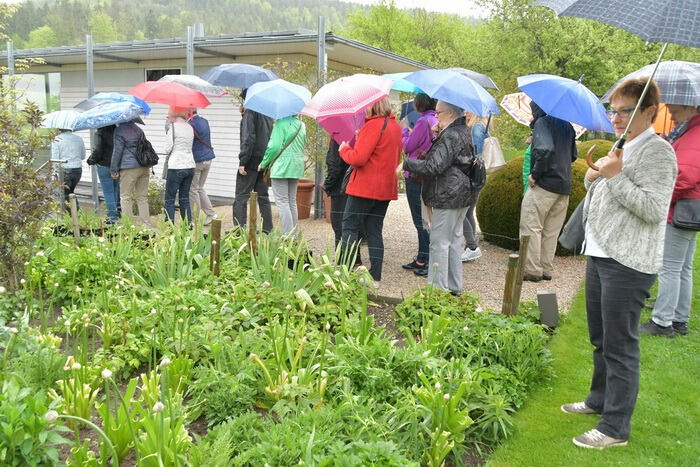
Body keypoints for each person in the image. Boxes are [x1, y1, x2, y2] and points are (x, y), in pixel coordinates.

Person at [561, 78, 677, 450]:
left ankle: (615, 428)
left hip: (627, 262)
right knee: (600, 338)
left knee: (620, 345)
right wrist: (596, 176)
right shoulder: (623, 144)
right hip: (600, 253)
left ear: (649, 113)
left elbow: (653, 209)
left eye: (625, 110)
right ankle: (599, 400)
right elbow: (607, 189)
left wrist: (615, 176)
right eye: (613, 109)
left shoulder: (658, 153)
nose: (615, 116)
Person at [402, 100, 475, 294]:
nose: (436, 117)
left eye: (439, 113)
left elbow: (434, 166)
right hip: (460, 194)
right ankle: (453, 286)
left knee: (439, 242)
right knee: (453, 241)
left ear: (450, 114)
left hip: (447, 194)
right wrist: (437, 136)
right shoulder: (463, 131)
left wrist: (406, 164)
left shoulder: (451, 135)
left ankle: (437, 290)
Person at [640, 104, 700, 337]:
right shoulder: (689, 132)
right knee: (683, 267)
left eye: (675, 110)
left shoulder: (694, 135)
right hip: (687, 211)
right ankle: (678, 319)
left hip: (678, 211)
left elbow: (684, 177)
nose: (671, 114)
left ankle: (662, 322)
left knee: (670, 268)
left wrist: (661, 196)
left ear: (691, 107)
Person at [339, 97, 402, 282]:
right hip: (385, 188)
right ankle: (375, 275)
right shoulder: (395, 127)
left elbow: (358, 159)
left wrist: (344, 150)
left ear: (372, 106)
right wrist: (361, 140)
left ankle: (346, 272)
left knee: (349, 226)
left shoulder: (373, 126)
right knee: (374, 229)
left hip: (365, 188)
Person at [519, 101, 577, 282]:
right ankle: (545, 268)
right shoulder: (567, 125)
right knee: (551, 231)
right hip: (564, 185)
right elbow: (573, 155)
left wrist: (535, 174)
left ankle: (532, 270)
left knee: (531, 226)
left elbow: (545, 149)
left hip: (544, 184)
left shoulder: (542, 122)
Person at [400, 93, 437, 276]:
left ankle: (425, 259)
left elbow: (407, 147)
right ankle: (423, 257)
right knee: (424, 217)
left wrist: (405, 131)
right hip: (427, 174)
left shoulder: (423, 122)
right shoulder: (435, 119)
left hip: (415, 174)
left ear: (419, 104)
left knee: (420, 219)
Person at [233, 89, 274, 233]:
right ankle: (267, 230)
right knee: (263, 196)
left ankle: (239, 231)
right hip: (264, 159)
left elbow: (248, 138)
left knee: (241, 196)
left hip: (250, 160)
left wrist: (243, 161)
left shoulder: (250, 112)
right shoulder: (268, 113)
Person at [258, 115, 306, 235]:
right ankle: (294, 234)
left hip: (281, 167)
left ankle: (288, 236)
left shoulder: (280, 124)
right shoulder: (302, 125)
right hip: (296, 167)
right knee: (291, 201)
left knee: (282, 201)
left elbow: (273, 147)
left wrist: (264, 163)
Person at [111, 118, 151, 225]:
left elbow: (117, 151)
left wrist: (114, 169)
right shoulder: (138, 129)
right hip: (144, 166)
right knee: (142, 197)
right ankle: (146, 224)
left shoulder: (119, 131)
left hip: (129, 168)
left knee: (125, 197)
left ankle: (128, 225)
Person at [461, 112, 489, 262]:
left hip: (473, 176)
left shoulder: (477, 128)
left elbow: (476, 155)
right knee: (468, 212)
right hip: (477, 176)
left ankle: (472, 247)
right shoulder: (482, 126)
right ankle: (470, 246)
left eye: (468, 109)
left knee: (463, 212)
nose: (465, 112)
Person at [163, 107, 196, 225]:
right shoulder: (190, 127)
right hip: (190, 165)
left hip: (176, 165)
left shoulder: (173, 128)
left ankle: (169, 226)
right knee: (184, 198)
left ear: (173, 114)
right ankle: (188, 225)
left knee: (170, 198)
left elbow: (167, 149)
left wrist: (167, 127)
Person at [187, 110, 218, 225]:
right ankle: (211, 214)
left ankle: (194, 220)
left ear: (188, 112)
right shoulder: (205, 121)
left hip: (197, 160)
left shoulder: (190, 124)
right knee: (200, 188)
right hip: (208, 158)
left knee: (193, 189)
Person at [88, 125, 120, 224]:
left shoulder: (100, 132)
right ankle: (116, 212)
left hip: (104, 165)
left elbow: (97, 149)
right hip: (117, 165)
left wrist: (91, 160)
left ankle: (112, 217)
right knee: (115, 189)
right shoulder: (118, 131)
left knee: (108, 192)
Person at [323, 139, 350, 247]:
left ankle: (342, 259)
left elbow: (334, 167)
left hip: (340, 187)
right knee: (351, 225)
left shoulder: (338, 138)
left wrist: (328, 185)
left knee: (339, 224)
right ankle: (355, 258)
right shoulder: (357, 135)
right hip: (353, 185)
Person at [51, 129, 85, 210]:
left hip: (65, 170)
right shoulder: (79, 138)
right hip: (77, 169)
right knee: (70, 192)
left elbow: (55, 159)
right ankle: (75, 215)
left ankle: (74, 216)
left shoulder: (57, 139)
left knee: (66, 194)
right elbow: (83, 156)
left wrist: (55, 174)